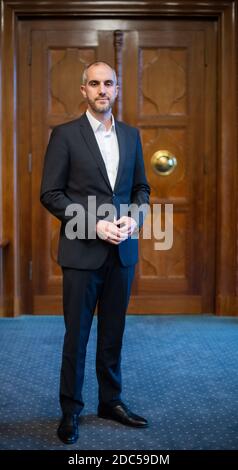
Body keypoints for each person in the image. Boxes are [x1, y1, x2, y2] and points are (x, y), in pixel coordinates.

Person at [40, 61, 150, 445]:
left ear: (117, 89)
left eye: (109, 83)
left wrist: (136, 217)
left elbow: (141, 190)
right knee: (78, 335)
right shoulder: (65, 135)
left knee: (113, 334)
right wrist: (94, 224)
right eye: (94, 83)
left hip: (122, 253)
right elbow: (51, 194)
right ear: (83, 90)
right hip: (82, 252)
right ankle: (71, 410)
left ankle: (111, 401)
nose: (102, 89)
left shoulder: (132, 136)